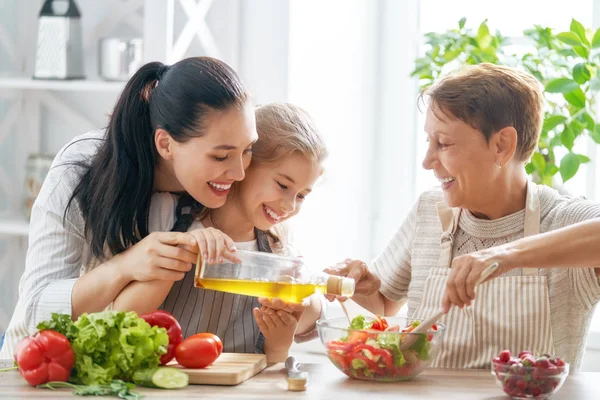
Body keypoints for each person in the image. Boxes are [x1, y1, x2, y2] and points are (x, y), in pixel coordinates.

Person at [325, 63, 600, 370]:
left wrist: (506, 255)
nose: (427, 161)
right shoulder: (429, 211)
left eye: (443, 144)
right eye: (429, 142)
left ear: (502, 145)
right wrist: (362, 288)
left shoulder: (562, 220)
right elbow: (383, 305)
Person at [0, 57, 258, 358]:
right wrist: (124, 266)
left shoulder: (226, 182)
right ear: (165, 144)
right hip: (30, 365)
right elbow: (36, 311)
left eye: (248, 149)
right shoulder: (82, 170)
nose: (240, 172)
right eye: (220, 157)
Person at [112, 103, 328, 362]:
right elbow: (118, 317)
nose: (289, 205)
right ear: (244, 163)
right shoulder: (167, 215)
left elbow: (272, 363)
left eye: (301, 195)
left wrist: (280, 343)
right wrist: (183, 249)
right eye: (282, 185)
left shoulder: (278, 251)